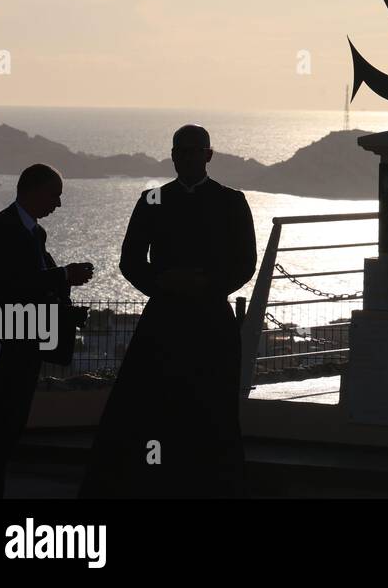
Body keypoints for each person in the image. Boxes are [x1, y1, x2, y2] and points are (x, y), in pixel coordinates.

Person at [80, 125, 257, 498]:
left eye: (194, 151)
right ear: (173, 155)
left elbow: (245, 263)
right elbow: (130, 259)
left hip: (210, 321)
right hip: (165, 319)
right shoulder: (152, 200)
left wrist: (206, 286)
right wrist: (162, 285)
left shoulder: (231, 201)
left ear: (209, 155)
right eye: (181, 151)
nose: (187, 157)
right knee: (152, 404)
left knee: (212, 405)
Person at [0, 164, 94, 498]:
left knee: (5, 432)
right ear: (32, 191)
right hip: (2, 347)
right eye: (54, 195)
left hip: (24, 348)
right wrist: (62, 277)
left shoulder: (34, 233)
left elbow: (33, 287)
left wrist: (63, 298)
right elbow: (5, 287)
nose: (57, 204)